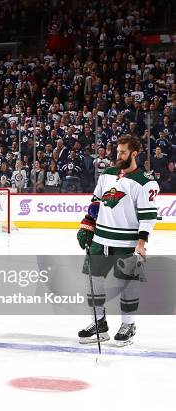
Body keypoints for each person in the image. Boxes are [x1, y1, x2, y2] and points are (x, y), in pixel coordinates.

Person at [77, 135, 159, 347]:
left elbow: (148, 217)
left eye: (122, 152)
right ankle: (99, 323)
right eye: (117, 151)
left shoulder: (145, 182)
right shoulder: (107, 175)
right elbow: (95, 202)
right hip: (100, 238)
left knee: (127, 284)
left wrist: (141, 243)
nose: (118, 155)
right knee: (92, 280)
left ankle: (128, 325)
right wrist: (87, 224)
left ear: (134, 154)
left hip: (127, 242)